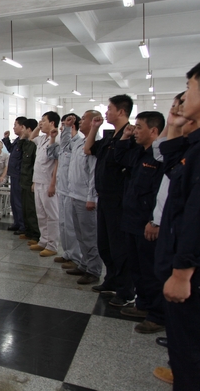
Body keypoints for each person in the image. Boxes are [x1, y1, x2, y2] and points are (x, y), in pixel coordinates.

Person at [154, 60, 200, 389]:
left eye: (189, 88)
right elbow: (174, 170)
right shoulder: (196, 145)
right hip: (185, 268)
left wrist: (182, 272)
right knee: (185, 352)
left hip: (193, 278)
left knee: (191, 360)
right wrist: (173, 126)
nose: (183, 98)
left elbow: (198, 214)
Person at [114, 111, 166, 334]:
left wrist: (155, 221)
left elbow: (160, 193)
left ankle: (157, 315)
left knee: (150, 270)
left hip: (147, 223)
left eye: (139, 127)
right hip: (132, 219)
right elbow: (120, 159)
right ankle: (143, 305)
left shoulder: (161, 158)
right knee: (136, 268)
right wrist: (124, 138)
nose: (135, 131)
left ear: (153, 131)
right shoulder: (140, 153)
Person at [84, 94, 135, 305]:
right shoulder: (110, 137)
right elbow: (88, 149)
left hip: (119, 200)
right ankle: (111, 280)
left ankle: (125, 291)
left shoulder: (130, 136)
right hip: (104, 197)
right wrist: (94, 128)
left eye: (109, 109)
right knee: (104, 244)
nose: (106, 113)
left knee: (119, 246)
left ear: (121, 111)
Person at [66, 111, 103, 285]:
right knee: (80, 234)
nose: (80, 121)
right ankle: (84, 264)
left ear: (93, 122)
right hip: (74, 194)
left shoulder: (95, 144)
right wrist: (67, 128)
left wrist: (91, 197)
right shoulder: (79, 142)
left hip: (85, 198)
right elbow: (65, 146)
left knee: (90, 236)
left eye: (83, 119)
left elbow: (94, 173)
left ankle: (94, 270)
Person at [48, 113, 83, 268]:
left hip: (72, 191)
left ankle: (76, 257)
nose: (61, 128)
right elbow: (52, 154)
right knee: (63, 224)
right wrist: (52, 138)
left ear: (72, 125)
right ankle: (68, 253)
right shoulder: (64, 143)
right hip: (62, 189)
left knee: (71, 226)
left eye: (64, 125)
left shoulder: (78, 143)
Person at [28, 111, 60, 257]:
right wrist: (38, 126)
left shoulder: (57, 138)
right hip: (39, 181)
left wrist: (53, 183)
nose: (41, 123)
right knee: (41, 214)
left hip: (48, 182)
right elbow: (31, 137)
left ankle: (52, 245)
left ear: (52, 123)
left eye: (44, 121)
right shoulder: (42, 139)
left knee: (51, 215)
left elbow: (57, 162)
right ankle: (43, 240)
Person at [17, 119, 41, 245]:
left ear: (29, 129)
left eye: (24, 128)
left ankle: (36, 235)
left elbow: (35, 165)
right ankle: (28, 231)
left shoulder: (36, 144)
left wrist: (34, 182)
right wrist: (23, 136)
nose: (22, 130)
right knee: (25, 208)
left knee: (31, 209)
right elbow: (19, 147)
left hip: (31, 181)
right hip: (24, 180)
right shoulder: (27, 143)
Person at [2, 117, 27, 233]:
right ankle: (17, 222)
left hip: (19, 175)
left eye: (15, 125)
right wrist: (6, 139)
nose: (13, 127)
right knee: (13, 201)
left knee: (19, 201)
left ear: (22, 127)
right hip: (14, 174)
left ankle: (23, 225)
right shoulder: (18, 140)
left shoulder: (26, 141)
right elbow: (11, 150)